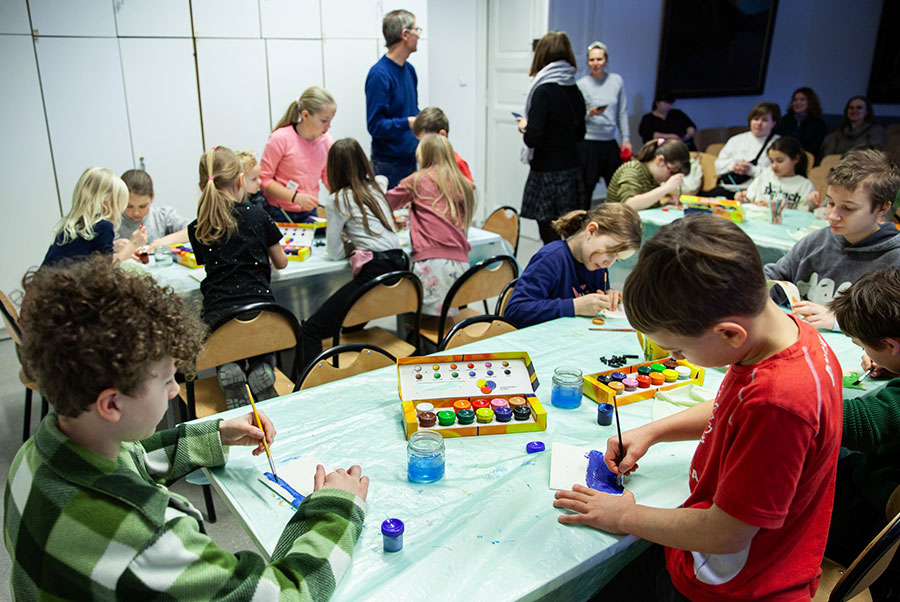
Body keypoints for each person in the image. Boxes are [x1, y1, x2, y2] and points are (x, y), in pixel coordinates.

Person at [4, 255, 369, 600]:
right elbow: (286, 596)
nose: (175, 389)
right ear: (112, 404)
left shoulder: (36, 452)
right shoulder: (149, 535)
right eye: (165, 380)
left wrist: (215, 433)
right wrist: (336, 508)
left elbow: (131, 458)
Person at [555, 214, 842, 601]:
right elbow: (733, 406)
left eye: (679, 350)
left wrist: (623, 516)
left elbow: (726, 532)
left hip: (731, 586)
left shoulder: (780, 402)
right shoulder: (787, 333)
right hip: (728, 563)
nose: (677, 357)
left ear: (728, 333)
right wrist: (654, 431)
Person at [187, 146, 288, 408]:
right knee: (259, 333)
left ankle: (227, 367)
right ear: (240, 180)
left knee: (225, 331)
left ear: (203, 187)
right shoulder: (258, 215)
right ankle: (262, 367)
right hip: (262, 309)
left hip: (219, 316)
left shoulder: (199, 226)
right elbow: (282, 262)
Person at [763, 148, 900, 331]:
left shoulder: (894, 258)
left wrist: (839, 321)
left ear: (882, 208)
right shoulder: (816, 241)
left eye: (848, 208)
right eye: (831, 203)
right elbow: (773, 278)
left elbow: (891, 325)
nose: (833, 216)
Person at [300, 138, 407, 368]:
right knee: (349, 319)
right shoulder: (379, 184)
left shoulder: (337, 199)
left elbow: (334, 251)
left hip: (374, 269)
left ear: (333, 169)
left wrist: (350, 243)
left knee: (310, 329)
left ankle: (306, 387)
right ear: (363, 161)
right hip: (399, 264)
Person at [827, 267, 900, 599]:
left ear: (890, 344)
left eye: (867, 347)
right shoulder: (893, 352)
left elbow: (861, 424)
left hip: (882, 507)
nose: (867, 355)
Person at [503, 203, 641, 329]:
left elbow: (592, 302)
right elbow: (515, 312)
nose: (609, 264)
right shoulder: (551, 258)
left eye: (617, 259)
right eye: (610, 252)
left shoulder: (598, 263)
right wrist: (575, 306)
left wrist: (607, 296)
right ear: (591, 231)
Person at [386, 134, 475, 318]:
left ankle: (420, 345)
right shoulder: (462, 182)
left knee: (417, 316)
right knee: (446, 318)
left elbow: (386, 203)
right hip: (461, 263)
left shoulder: (417, 180)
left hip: (432, 263)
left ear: (423, 157)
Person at [516, 31, 586, 245]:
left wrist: (524, 127)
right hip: (571, 168)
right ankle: (566, 274)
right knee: (568, 232)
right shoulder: (574, 88)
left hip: (546, 172)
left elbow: (533, 139)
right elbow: (581, 133)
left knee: (550, 237)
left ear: (542, 55)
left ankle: (558, 272)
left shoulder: (543, 90)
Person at [260, 86, 336, 224]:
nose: (328, 126)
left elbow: (328, 177)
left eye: (331, 120)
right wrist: (295, 197)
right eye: (324, 121)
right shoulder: (280, 138)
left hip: (309, 210)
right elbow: (264, 179)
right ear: (306, 115)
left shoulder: (327, 142)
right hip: (278, 212)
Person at [42, 167, 146, 267]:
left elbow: (85, 257)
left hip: (43, 282)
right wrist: (133, 245)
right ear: (107, 203)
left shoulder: (71, 226)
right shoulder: (103, 226)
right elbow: (105, 269)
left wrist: (113, 246)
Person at [365, 9, 421, 189]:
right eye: (416, 30)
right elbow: (375, 126)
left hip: (411, 160)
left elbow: (412, 110)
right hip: (388, 165)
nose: (419, 36)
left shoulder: (409, 70)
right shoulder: (379, 75)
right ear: (405, 34)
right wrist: (408, 122)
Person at [576, 41, 631, 209]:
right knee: (585, 190)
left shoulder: (616, 81)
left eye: (599, 59)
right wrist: (589, 113)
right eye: (592, 60)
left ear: (606, 60)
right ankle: (582, 226)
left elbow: (622, 112)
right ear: (587, 62)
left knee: (617, 188)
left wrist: (626, 139)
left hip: (609, 141)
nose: (596, 63)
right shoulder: (581, 84)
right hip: (589, 141)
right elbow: (576, 118)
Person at [708, 102, 781, 197]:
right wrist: (734, 166)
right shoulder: (736, 140)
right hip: (729, 188)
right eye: (756, 119)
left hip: (758, 193)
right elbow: (718, 166)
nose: (759, 123)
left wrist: (752, 170)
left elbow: (780, 173)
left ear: (773, 124)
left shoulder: (779, 143)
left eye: (765, 120)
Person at [605, 139, 690, 210]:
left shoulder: (653, 178)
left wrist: (664, 205)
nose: (670, 178)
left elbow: (643, 208)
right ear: (660, 160)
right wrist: (666, 188)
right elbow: (629, 205)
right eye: (671, 172)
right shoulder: (632, 170)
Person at [117, 168, 189, 250]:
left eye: (143, 206)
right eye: (129, 206)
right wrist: (114, 246)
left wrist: (166, 241)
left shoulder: (163, 216)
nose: (136, 213)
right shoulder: (114, 223)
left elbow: (194, 229)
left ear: (152, 197)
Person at [735, 136, 815, 210]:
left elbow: (802, 215)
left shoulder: (804, 185)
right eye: (771, 161)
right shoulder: (766, 175)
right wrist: (742, 198)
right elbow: (749, 199)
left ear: (796, 159)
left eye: (779, 161)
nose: (774, 165)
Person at [412, 106, 473, 182]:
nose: (420, 146)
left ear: (442, 135)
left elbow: (468, 190)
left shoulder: (458, 163)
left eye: (424, 141)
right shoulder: (427, 163)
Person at [821, 95, 886, 158]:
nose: (854, 110)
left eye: (859, 107)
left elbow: (876, 153)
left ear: (867, 111)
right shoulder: (840, 130)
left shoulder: (876, 129)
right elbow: (828, 154)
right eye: (851, 108)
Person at [773, 87, 826, 158]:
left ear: (810, 102)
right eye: (795, 100)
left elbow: (813, 148)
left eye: (802, 99)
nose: (798, 102)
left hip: (805, 158)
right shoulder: (785, 120)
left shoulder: (818, 124)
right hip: (783, 156)